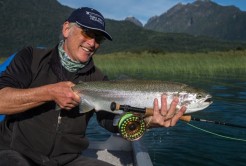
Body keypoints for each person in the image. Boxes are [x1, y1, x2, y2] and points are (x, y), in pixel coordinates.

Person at [0, 7, 186, 166]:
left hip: (67, 160)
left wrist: (148, 122)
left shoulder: (98, 79)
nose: (92, 43)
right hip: (15, 151)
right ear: (66, 29)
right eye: (87, 33)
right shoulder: (31, 57)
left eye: (98, 39)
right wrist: (49, 93)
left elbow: (110, 121)